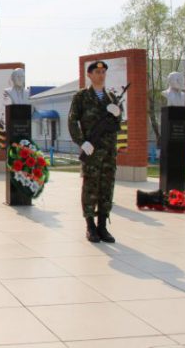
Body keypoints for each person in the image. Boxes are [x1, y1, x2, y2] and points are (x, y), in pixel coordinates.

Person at [68, 60, 122, 243]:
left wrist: (117, 114)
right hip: (91, 150)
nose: (101, 75)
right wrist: (82, 142)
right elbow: (72, 121)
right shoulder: (81, 97)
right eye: (97, 72)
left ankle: (103, 226)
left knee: (107, 187)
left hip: (109, 152)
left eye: (103, 72)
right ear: (89, 75)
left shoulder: (112, 97)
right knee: (90, 187)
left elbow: (117, 125)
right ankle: (90, 226)